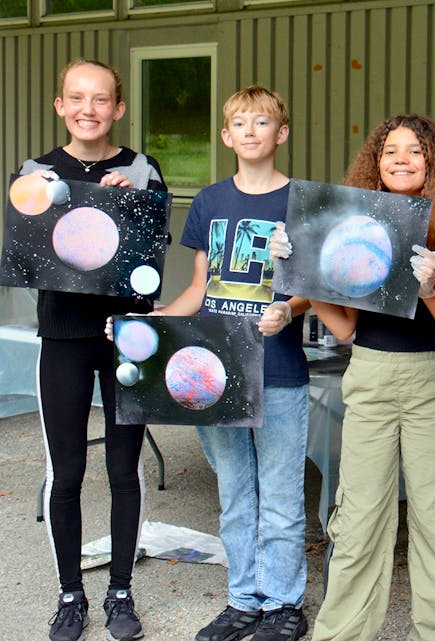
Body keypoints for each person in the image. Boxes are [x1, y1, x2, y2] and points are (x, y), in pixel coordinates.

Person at [278, 114, 435, 641]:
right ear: (376, 161)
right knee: (359, 516)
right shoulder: (357, 231)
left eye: (415, 151)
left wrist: (433, 286)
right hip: (368, 372)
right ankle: (342, 632)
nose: (402, 160)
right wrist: (303, 272)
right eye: (391, 151)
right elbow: (344, 330)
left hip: (432, 378)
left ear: (434, 163)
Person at [144, 86, 311, 641]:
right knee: (236, 494)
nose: (250, 131)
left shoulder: (301, 202)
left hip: (280, 371)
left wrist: (289, 309)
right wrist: (157, 320)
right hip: (217, 373)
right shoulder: (211, 203)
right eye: (239, 123)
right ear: (225, 135)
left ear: (281, 133)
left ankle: (284, 604)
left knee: (282, 497)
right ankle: (244, 599)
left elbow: (314, 286)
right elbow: (198, 286)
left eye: (262, 122)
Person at [21, 58, 167, 641]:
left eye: (101, 99)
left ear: (119, 108)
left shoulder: (141, 169)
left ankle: (121, 593)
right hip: (63, 336)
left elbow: (151, 261)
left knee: (122, 468)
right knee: (68, 471)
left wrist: (129, 205)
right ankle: (70, 595)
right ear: (60, 106)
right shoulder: (34, 173)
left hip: (127, 335)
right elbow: (30, 256)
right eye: (76, 98)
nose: (88, 109)